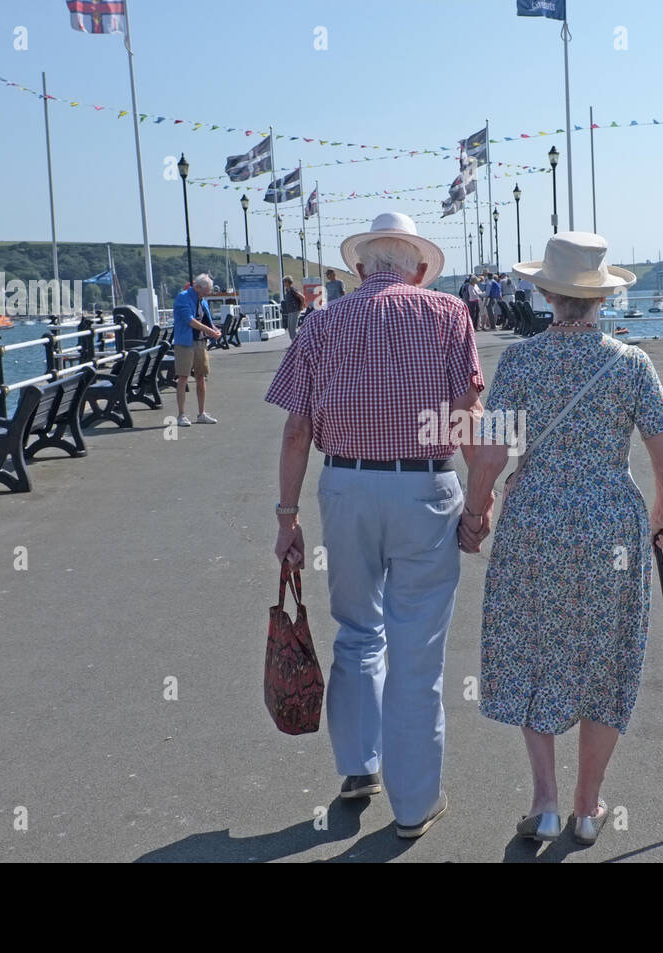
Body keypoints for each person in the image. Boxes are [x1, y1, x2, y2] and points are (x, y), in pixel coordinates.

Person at [460, 231, 663, 846]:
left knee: (534, 650)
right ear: (601, 298)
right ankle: (588, 809)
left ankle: (547, 802)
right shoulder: (632, 363)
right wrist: (662, 518)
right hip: (611, 523)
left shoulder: (522, 360)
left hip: (536, 522)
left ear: (547, 293)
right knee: (604, 662)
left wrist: (474, 517)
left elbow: (489, 455)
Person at [266, 211, 484, 839]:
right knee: (417, 655)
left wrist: (287, 517)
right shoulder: (449, 316)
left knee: (358, 630)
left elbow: (296, 429)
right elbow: (472, 415)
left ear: (359, 269)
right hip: (425, 485)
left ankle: (360, 766)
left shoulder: (321, 322)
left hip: (346, 484)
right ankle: (414, 806)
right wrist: (480, 499)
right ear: (419, 269)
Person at [171, 274, 222, 427]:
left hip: (200, 342)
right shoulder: (183, 297)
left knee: (201, 377)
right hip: (185, 343)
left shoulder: (202, 300)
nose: (208, 293)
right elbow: (189, 320)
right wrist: (210, 330)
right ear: (198, 287)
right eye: (206, 290)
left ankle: (201, 413)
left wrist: (214, 330)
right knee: (183, 378)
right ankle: (181, 415)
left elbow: (206, 320)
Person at [281, 277, 305, 341]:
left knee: (293, 328)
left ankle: (297, 342)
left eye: (285, 281)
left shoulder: (292, 290)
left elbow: (302, 297)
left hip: (295, 311)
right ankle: (293, 342)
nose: (283, 283)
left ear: (288, 282)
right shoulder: (287, 290)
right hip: (290, 311)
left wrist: (302, 306)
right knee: (290, 328)